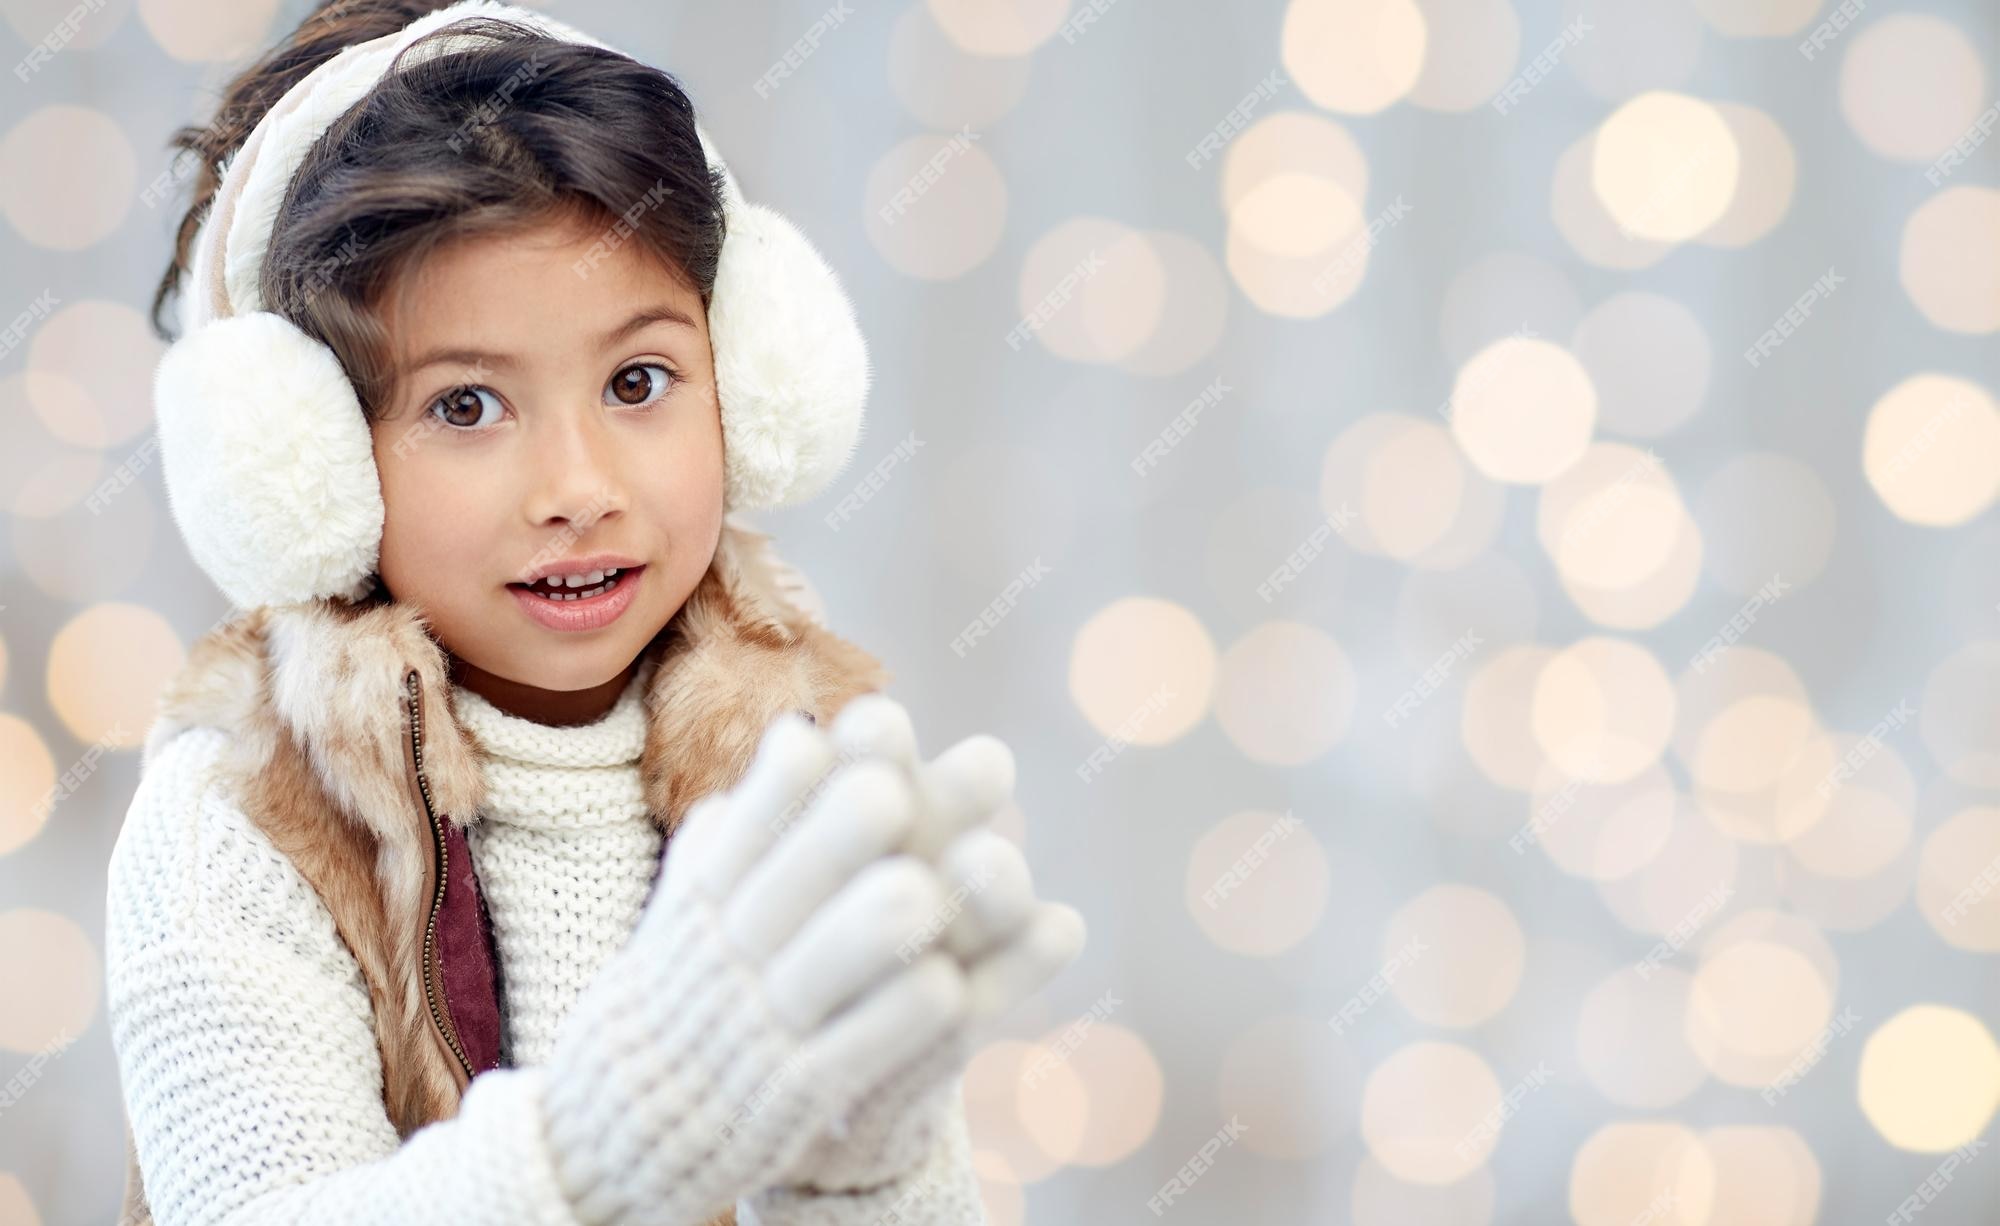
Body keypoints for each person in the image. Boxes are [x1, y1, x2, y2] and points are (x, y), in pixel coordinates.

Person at [106, 3, 1085, 1223]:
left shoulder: (799, 763)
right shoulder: (240, 814)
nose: (578, 489)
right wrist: (605, 1143)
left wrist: (865, 1163)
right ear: (307, 464)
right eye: (465, 406)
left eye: (637, 382)